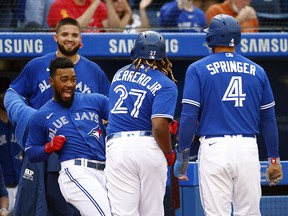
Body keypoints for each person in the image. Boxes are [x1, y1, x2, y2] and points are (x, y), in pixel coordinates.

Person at [174, 14, 283, 215]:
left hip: (215, 149)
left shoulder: (198, 68)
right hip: (248, 149)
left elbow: (189, 116)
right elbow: (268, 119)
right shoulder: (258, 71)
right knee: (249, 212)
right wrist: (274, 159)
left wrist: (183, 154)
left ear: (211, 39)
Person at [4, 17, 110, 216]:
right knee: (36, 207)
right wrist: (26, 114)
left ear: (81, 39)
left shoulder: (94, 71)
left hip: (82, 152)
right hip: (43, 147)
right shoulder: (37, 65)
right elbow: (12, 93)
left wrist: (101, 121)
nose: (69, 39)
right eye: (65, 34)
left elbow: (110, 107)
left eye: (74, 35)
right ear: (55, 37)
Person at [25, 57, 111, 216]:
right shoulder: (42, 115)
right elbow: (31, 151)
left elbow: (122, 117)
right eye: (64, 80)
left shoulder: (95, 100)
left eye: (73, 79)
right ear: (52, 81)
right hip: (75, 170)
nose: (70, 84)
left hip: (106, 171)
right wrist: (47, 148)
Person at [105, 30, 178, 216]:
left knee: (123, 213)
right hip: (148, 145)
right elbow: (159, 125)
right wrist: (169, 152)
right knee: (152, 212)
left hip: (118, 146)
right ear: (163, 56)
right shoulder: (166, 83)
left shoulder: (119, 74)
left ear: (135, 52)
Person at [0, 77, 23, 215]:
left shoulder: (18, 123)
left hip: (21, 185)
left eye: (6, 94)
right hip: (3, 189)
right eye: (1, 94)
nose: (4, 98)